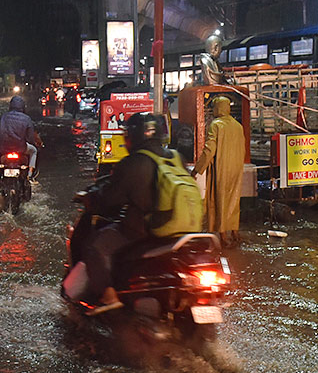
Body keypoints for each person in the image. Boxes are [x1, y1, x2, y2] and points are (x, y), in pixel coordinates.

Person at [81, 112, 201, 313]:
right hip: (184, 232)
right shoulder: (176, 157)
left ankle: (109, 297)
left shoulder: (134, 162)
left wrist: (92, 200)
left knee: (95, 246)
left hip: (145, 231)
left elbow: (109, 201)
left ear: (134, 137)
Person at [191, 94, 243, 246]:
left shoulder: (216, 125)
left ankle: (223, 235)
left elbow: (209, 150)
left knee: (220, 199)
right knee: (234, 199)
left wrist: (197, 170)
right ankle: (234, 231)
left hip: (221, 167)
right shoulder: (238, 126)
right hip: (236, 168)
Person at [0, 94, 43, 177]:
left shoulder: (4, 116)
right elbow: (30, 137)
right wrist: (33, 143)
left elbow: (0, 134)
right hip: (21, 148)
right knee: (34, 151)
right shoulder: (26, 118)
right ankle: (30, 175)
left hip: (4, 148)